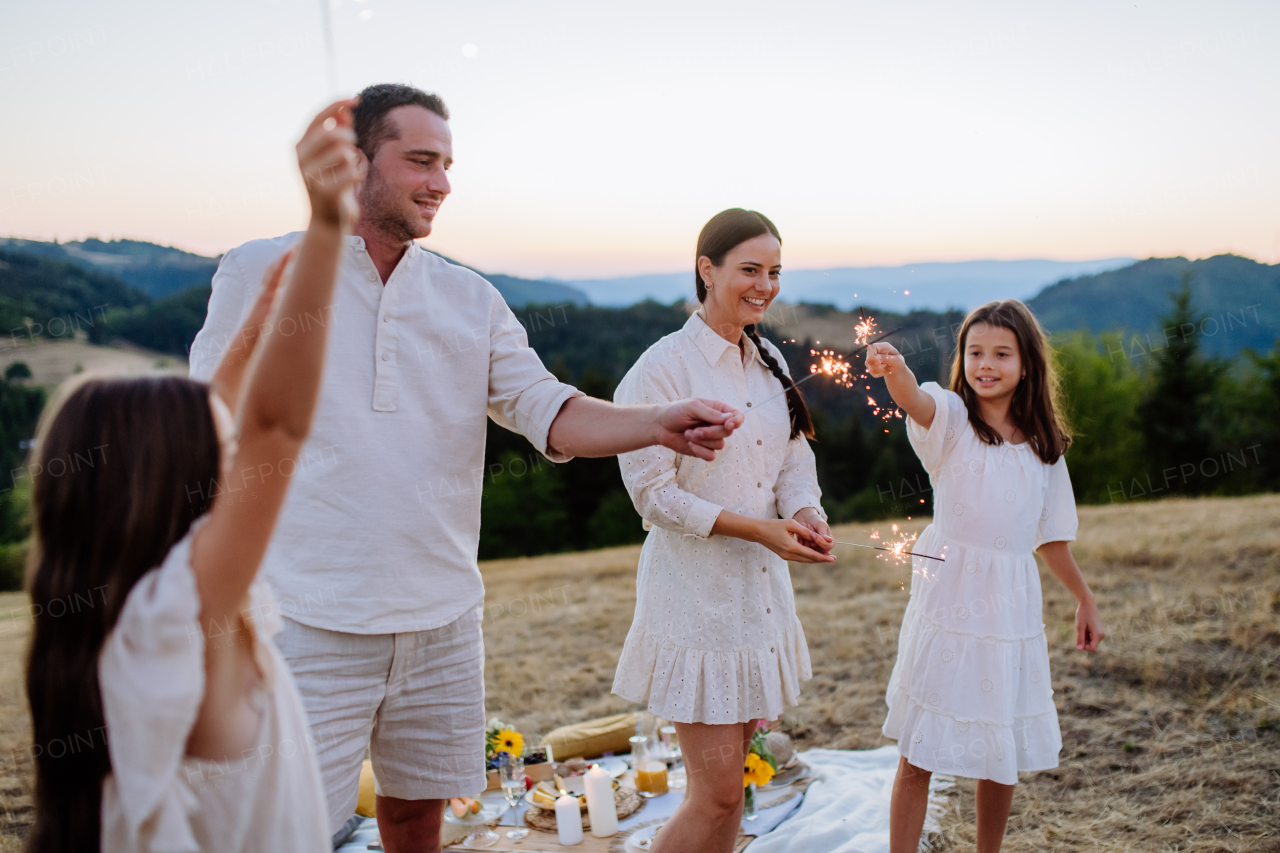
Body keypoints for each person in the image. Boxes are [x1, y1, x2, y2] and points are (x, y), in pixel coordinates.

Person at [187, 83, 744, 853]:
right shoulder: (260, 267)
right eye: (420, 160)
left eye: (447, 164)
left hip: (444, 618)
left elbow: (546, 407)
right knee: (279, 832)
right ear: (355, 161)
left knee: (419, 818)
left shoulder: (468, 296)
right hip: (305, 618)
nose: (441, 183)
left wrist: (655, 422)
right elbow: (208, 407)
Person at [24, 99, 362, 851]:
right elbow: (273, 427)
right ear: (167, 478)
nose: (230, 446)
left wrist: (258, 325)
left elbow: (221, 412)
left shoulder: (129, 605)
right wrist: (327, 230)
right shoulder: (183, 606)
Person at [611, 209, 835, 853]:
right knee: (714, 797)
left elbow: (794, 457)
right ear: (708, 270)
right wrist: (759, 530)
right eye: (749, 270)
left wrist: (805, 514)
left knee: (732, 792)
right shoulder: (660, 371)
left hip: (757, 601)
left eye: (774, 272)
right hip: (696, 605)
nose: (765, 285)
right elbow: (653, 496)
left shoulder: (765, 360)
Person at [864, 299, 1107, 853]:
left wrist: (1084, 598)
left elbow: (1048, 537)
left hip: (1009, 603)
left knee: (999, 746)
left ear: (1027, 364)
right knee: (920, 745)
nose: (986, 364)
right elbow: (915, 402)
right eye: (975, 352)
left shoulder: (1044, 448)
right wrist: (896, 370)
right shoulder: (951, 419)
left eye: (1001, 353)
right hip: (949, 594)